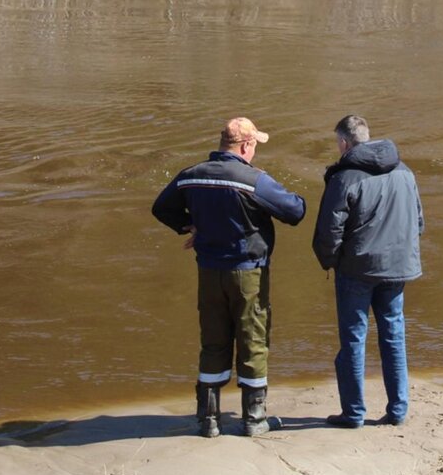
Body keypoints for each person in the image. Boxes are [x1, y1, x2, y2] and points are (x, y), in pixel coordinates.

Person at [152, 117, 306, 438]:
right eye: (255, 146)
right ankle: (253, 418)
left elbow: (161, 208)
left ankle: (208, 420)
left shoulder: (191, 176)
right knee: (253, 340)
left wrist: (190, 226)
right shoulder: (253, 180)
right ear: (246, 146)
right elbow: (294, 211)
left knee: (213, 341)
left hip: (209, 271)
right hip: (248, 272)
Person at [313, 115, 424, 428]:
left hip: (357, 269)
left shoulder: (344, 177)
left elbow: (328, 231)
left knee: (353, 338)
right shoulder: (404, 171)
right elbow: (418, 221)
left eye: (338, 143)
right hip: (398, 267)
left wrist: (330, 261)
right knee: (393, 336)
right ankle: (398, 410)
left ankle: (353, 412)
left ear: (345, 143)